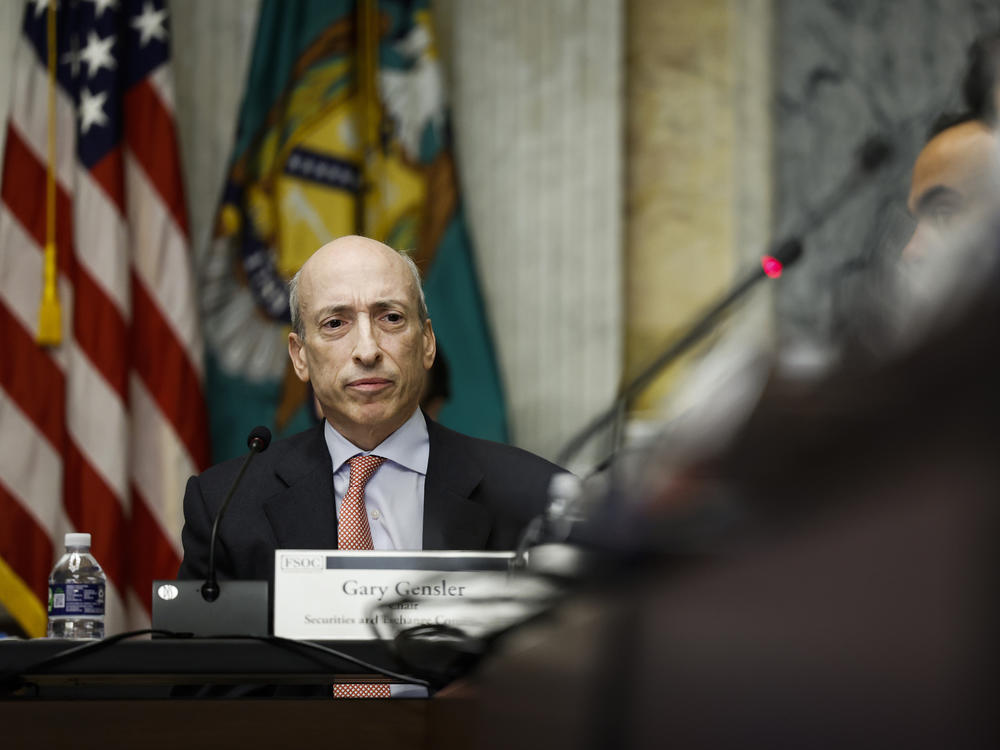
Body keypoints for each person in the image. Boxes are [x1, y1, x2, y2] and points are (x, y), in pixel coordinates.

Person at [177, 235, 561, 583]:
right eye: (335, 323)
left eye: (390, 318)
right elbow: (197, 657)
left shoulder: (534, 497)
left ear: (427, 342)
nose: (367, 350)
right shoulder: (225, 507)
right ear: (300, 357)